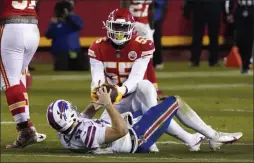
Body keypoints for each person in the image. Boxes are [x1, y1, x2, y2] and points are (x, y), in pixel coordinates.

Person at [89, 8, 212, 153]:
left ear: (130, 28)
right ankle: (190, 139)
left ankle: (152, 138)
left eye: (122, 27)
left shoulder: (142, 45)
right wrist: (97, 90)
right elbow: (96, 77)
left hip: (137, 94)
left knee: (147, 93)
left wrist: (120, 90)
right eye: (115, 27)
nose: (118, 31)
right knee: (102, 133)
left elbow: (136, 78)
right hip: (116, 101)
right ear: (108, 26)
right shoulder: (97, 47)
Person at [46, 86, 243, 154]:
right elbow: (120, 130)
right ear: (66, 117)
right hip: (137, 138)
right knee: (174, 102)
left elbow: (83, 118)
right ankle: (213, 135)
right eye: (70, 110)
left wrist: (95, 103)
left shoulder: (65, 132)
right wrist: (108, 104)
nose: (74, 110)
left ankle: (192, 139)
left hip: (124, 133)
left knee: (147, 103)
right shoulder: (88, 133)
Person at [0, 0, 46, 148]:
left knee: (9, 80)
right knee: (18, 77)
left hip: (11, 27)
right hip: (32, 27)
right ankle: (28, 128)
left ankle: (26, 130)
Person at [120, 0, 165, 98]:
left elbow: (151, 8)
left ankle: (149, 87)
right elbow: (125, 8)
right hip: (136, 25)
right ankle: (148, 87)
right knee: (142, 59)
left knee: (145, 59)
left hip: (142, 26)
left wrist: (151, 27)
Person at [45, 0, 87, 71]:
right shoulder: (55, 21)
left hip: (75, 50)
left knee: (84, 67)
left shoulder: (75, 18)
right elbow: (48, 35)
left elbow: (79, 26)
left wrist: (68, 17)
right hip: (61, 51)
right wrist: (53, 25)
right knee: (62, 68)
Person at [183, 0, 224, 67]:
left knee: (212, 36)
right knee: (199, 36)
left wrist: (187, 8)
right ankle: (197, 60)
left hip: (208, 6)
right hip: (202, 6)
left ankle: (210, 60)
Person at [225, 0, 254, 74]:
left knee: (249, 39)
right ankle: (245, 61)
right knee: (240, 39)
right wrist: (229, 13)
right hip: (240, 9)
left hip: (252, 8)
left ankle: (246, 64)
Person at [152, 0, 169, 69]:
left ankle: (158, 61)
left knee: (156, 40)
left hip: (156, 17)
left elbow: (162, 3)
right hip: (145, 18)